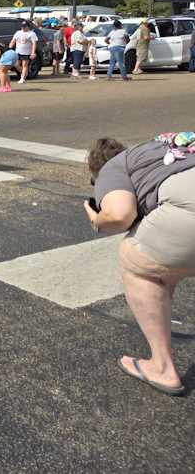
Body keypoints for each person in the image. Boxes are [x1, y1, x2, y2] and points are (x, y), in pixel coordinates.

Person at [85, 136, 195, 396]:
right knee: (166, 259)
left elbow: (120, 215)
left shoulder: (113, 168)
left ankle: (162, 367)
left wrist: (97, 219)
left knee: (138, 261)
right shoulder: (157, 148)